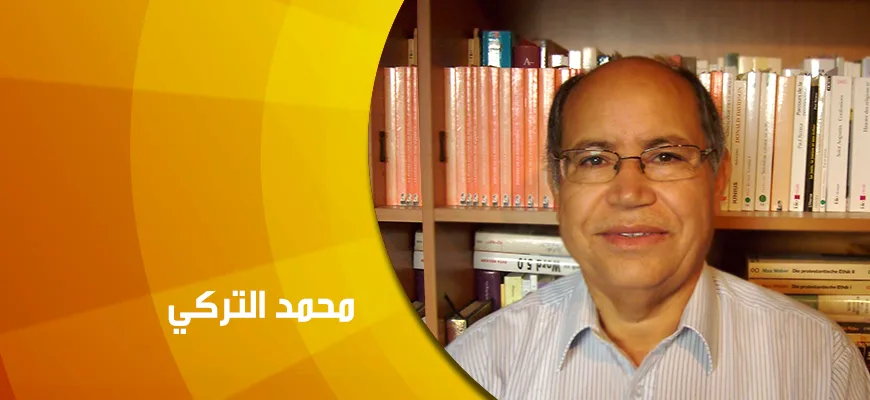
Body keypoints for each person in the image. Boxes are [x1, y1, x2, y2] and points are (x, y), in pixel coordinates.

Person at [444, 56, 870, 399]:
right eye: (594, 159)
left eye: (666, 156)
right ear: (557, 188)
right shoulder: (475, 364)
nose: (629, 193)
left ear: (718, 179)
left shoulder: (819, 360)